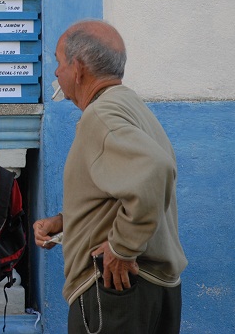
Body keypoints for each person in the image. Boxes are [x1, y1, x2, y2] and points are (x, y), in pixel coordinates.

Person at [34, 19, 187, 334]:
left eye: (58, 62)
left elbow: (154, 170)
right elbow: (128, 190)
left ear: (78, 69)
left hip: (119, 289)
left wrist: (122, 248)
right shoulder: (130, 106)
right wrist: (69, 221)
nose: (55, 73)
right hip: (147, 288)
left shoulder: (101, 115)